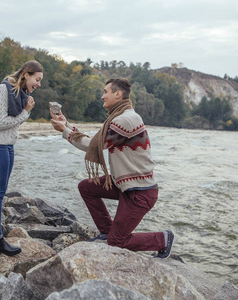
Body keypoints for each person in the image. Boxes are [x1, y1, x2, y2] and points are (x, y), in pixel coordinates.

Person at [50, 78, 174, 258]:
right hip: (123, 184)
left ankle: (162, 239)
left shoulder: (127, 120)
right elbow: (95, 141)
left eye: (105, 92)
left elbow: (92, 145)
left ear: (118, 94)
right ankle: (107, 231)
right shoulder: (119, 117)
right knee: (86, 187)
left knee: (117, 242)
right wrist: (67, 125)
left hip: (139, 192)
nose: (102, 96)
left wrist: (64, 131)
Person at [0, 60, 43, 256]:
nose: (38, 84)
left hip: (8, 147)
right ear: (26, 75)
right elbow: (0, 122)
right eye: (37, 79)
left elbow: (12, 124)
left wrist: (24, 110)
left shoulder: (23, 94)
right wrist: (26, 113)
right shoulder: (3, 89)